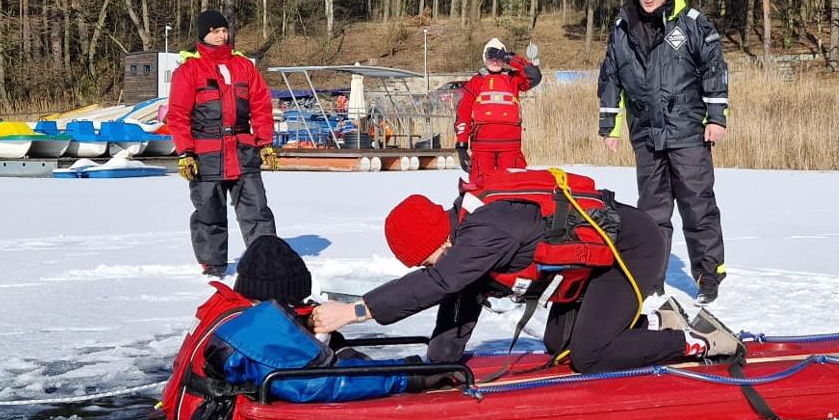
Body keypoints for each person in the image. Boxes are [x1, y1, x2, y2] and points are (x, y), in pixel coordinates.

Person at [309, 169, 739, 373]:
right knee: (559, 346)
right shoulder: (467, 237)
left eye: (424, 260)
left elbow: (440, 283)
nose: (426, 268)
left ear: (439, 242)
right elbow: (460, 292)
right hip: (587, 267)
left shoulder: (485, 231)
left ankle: (695, 342)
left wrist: (355, 311)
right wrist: (438, 368)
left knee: (589, 356)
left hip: (630, 249)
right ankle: (649, 326)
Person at [160, 235, 415, 420]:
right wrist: (408, 374)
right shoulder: (256, 331)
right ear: (279, 300)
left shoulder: (227, 311)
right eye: (296, 303)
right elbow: (320, 384)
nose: (300, 307)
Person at [597, 0, 730, 305]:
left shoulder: (692, 23)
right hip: (645, 133)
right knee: (652, 212)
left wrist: (716, 118)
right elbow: (610, 77)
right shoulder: (623, 28)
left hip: (687, 130)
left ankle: (708, 274)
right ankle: (652, 278)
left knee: (697, 205)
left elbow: (714, 68)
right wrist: (609, 126)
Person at [165, 10, 278, 277]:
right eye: (215, 31)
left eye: (224, 31)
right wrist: (185, 152)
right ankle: (213, 266)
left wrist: (265, 143)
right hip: (206, 153)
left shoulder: (244, 66)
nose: (221, 36)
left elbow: (261, 106)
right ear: (203, 34)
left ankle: (265, 264)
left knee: (257, 210)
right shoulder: (189, 70)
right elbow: (178, 115)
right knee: (209, 212)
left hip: (242, 150)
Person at [455, 38, 542, 178]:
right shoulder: (475, 83)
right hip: (482, 147)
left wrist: (509, 58)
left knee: (512, 185)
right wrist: (461, 147)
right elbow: (463, 116)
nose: (495, 61)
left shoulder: (513, 79)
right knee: (481, 185)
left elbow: (535, 76)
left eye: (499, 57)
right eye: (491, 57)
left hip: (510, 147)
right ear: (484, 59)